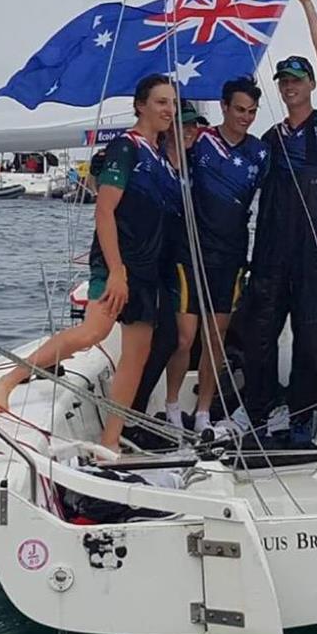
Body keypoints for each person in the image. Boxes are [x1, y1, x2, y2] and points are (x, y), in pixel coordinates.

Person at [0, 74, 178, 453]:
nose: (169, 110)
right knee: (91, 333)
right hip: (117, 266)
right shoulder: (127, 148)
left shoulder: (163, 157)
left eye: (172, 103)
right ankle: (7, 382)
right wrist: (117, 271)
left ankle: (111, 443)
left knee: (136, 358)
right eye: (161, 102)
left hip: (148, 269)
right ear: (140, 105)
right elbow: (105, 212)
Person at [243, 0, 317, 447]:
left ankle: (302, 417)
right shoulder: (268, 140)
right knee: (259, 337)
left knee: (309, 340)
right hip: (269, 252)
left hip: (313, 254)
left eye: (297, 80)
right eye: (284, 81)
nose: (290, 87)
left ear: (309, 86)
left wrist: (306, 5)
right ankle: (259, 413)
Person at [163, 79, 269, 434]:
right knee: (184, 337)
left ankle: (205, 412)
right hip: (190, 252)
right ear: (224, 107)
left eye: (252, 112)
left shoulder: (260, 152)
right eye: (239, 110)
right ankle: (173, 406)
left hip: (233, 256)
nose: (246, 117)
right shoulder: (201, 139)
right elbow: (169, 155)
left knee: (215, 337)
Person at [130, 99, 201, 416]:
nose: (188, 131)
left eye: (192, 125)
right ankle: (133, 411)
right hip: (148, 265)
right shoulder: (151, 159)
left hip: (181, 264)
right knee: (158, 340)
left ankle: (139, 410)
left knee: (176, 340)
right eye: (181, 124)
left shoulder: (198, 164)